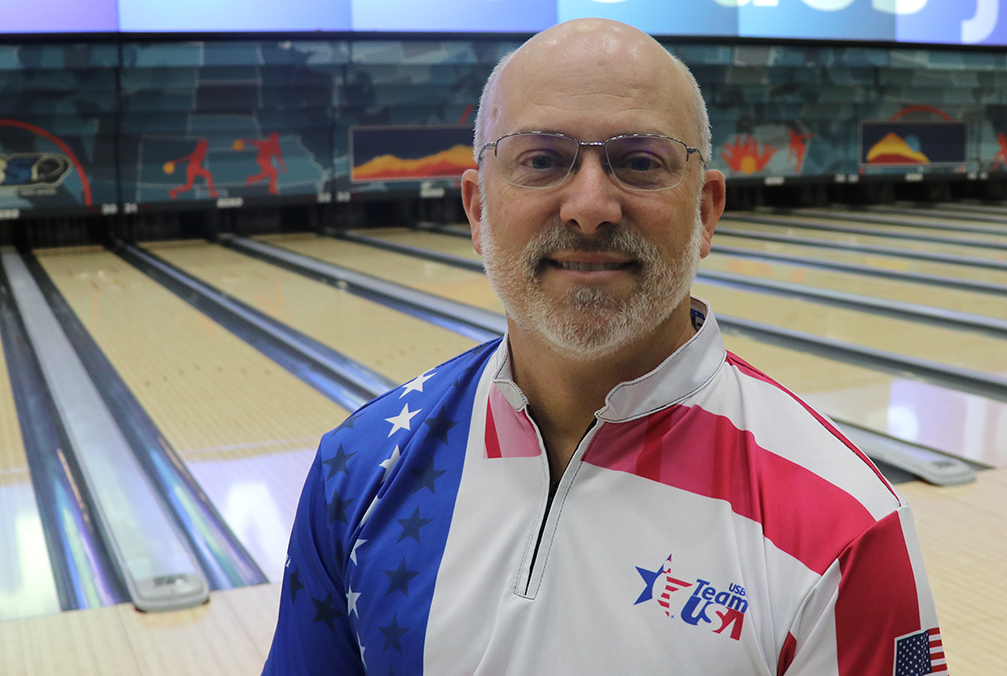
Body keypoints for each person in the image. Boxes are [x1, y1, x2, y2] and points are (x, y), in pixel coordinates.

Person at [263, 18, 945, 676]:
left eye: (640, 162)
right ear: (476, 208)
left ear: (706, 211)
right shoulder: (359, 468)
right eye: (541, 160)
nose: (590, 205)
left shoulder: (848, 531)